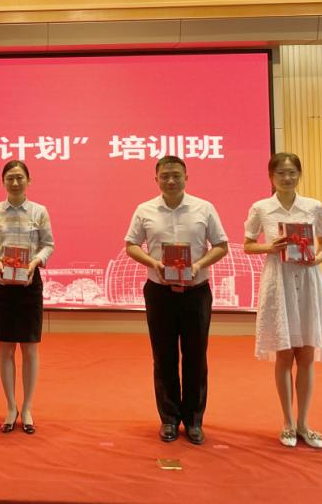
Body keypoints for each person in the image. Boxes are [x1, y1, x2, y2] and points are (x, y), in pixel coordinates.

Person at [124, 155, 228, 445]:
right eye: (165, 175)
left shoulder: (204, 208)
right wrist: (153, 262)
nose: (171, 180)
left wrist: (198, 265)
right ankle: (169, 419)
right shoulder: (144, 209)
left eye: (176, 175)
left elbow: (221, 246)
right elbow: (131, 245)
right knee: (163, 356)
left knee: (196, 357)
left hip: (196, 292)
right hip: (159, 292)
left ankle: (194, 420)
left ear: (186, 177)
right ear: (156, 179)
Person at [243, 152, 322, 449]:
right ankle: (286, 422)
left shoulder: (313, 206)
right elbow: (247, 245)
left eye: (292, 172)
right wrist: (269, 247)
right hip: (279, 282)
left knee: (306, 355)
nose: (287, 178)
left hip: (308, 282)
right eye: (281, 173)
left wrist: (318, 258)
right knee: (284, 355)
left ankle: (304, 423)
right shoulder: (261, 208)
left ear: (299, 175)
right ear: (270, 177)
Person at [0, 160, 55, 434]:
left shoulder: (39, 211)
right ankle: (11, 406)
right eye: (10, 178)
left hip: (30, 283)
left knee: (30, 348)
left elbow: (48, 245)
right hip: (2, 283)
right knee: (6, 348)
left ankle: (28, 407)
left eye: (19, 177)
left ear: (28, 181)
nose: (14, 182)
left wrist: (35, 262)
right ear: (3, 181)